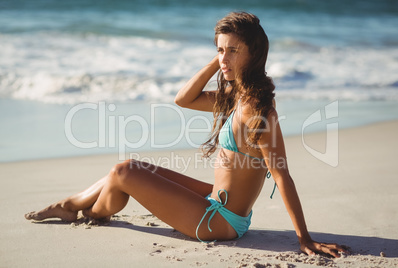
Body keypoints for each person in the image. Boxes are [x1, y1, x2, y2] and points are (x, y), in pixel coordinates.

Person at [25, 12, 346, 258]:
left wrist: (304, 238)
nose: (224, 58)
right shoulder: (238, 96)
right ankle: (78, 206)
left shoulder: (257, 111)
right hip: (216, 203)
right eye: (219, 50)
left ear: (255, 53)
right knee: (126, 169)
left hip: (219, 223)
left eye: (233, 51)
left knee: (122, 173)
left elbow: (281, 174)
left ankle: (79, 208)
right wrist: (221, 61)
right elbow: (183, 99)